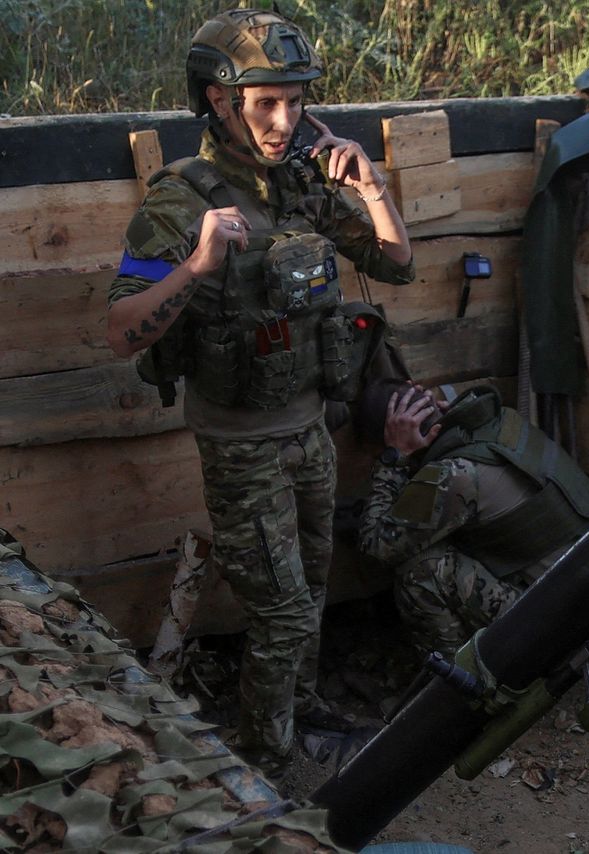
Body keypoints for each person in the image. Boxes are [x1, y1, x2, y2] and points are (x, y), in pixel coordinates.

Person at [104, 9, 414, 779]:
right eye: (266, 102)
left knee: (309, 588)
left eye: (296, 100)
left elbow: (398, 262)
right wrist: (198, 267)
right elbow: (122, 329)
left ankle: (300, 711)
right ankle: (260, 769)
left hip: (309, 428)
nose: (287, 120)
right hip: (241, 445)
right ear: (220, 102)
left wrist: (370, 185)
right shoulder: (181, 202)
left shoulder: (303, 184)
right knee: (279, 613)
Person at [358, 383, 589, 659]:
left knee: (420, 569)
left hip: (558, 622)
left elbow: (377, 548)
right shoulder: (497, 424)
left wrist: (393, 459)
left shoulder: (456, 475)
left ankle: (462, 680)